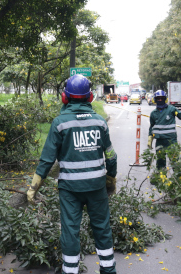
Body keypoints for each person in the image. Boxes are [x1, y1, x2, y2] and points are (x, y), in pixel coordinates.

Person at [27, 74, 118, 274]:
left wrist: (34, 187)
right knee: (102, 228)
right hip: (96, 187)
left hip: (70, 190)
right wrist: (110, 180)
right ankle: (109, 270)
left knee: (70, 231)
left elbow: (47, 159)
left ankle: (70, 271)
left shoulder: (60, 123)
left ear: (65, 97)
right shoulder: (100, 122)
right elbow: (111, 156)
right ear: (90, 97)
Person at [148, 90, 181, 171]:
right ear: (155, 100)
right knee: (160, 161)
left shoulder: (171, 109)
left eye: (162, 98)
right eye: (158, 98)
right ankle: (161, 179)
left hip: (171, 141)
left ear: (165, 99)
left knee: (174, 160)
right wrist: (150, 138)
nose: (160, 100)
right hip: (160, 141)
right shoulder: (153, 113)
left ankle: (178, 178)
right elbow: (152, 127)